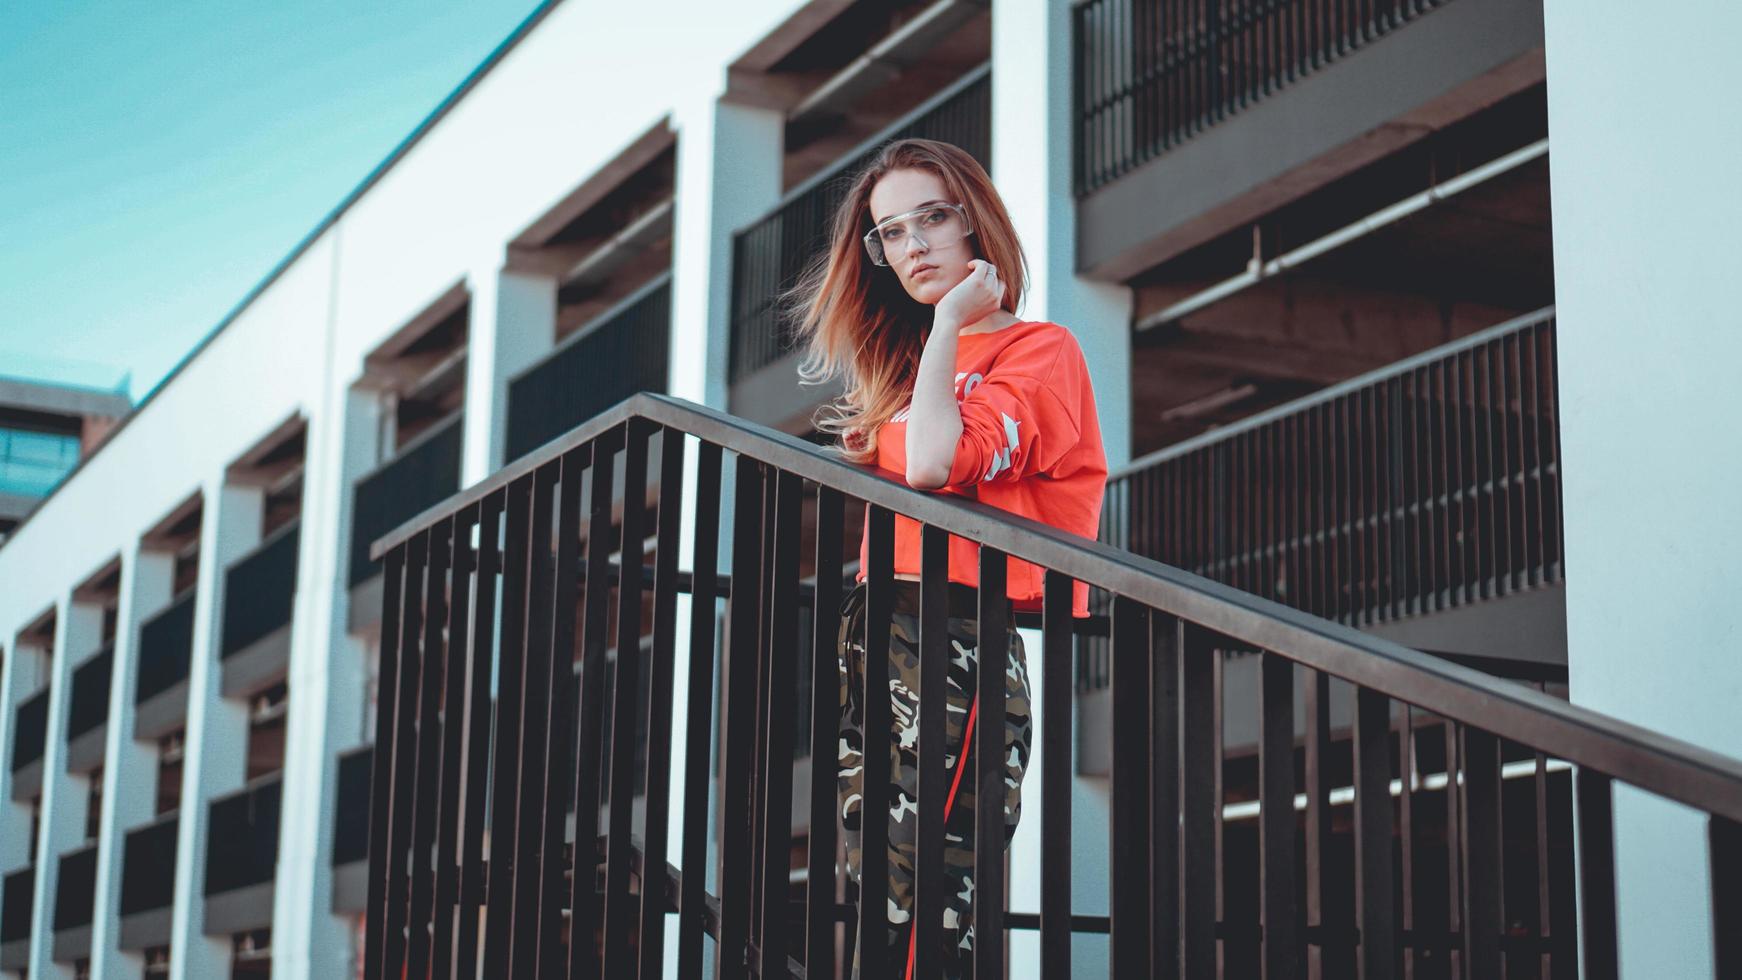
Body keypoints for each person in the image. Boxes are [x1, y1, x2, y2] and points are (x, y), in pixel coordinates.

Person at [790, 138, 1107, 978]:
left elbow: (935, 464)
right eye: (891, 232)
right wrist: (935, 342)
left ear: (976, 223)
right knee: (878, 888)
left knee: (933, 885)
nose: (915, 246)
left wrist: (945, 328)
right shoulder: (904, 371)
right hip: (875, 630)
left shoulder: (1040, 350)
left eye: (932, 217)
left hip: (958, 629)